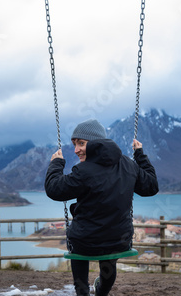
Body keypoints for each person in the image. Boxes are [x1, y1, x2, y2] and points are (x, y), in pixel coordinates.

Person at [45, 119, 159, 296]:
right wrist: (140, 156)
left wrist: (56, 164)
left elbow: (54, 189)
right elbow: (151, 186)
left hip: (85, 242)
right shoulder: (128, 164)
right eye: (75, 144)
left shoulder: (83, 171)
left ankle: (82, 292)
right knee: (109, 252)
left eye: (81, 143)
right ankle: (102, 291)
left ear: (96, 142)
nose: (76, 150)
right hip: (119, 241)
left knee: (78, 242)